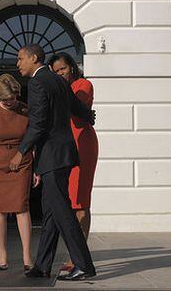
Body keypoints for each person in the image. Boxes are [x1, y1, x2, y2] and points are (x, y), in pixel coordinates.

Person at [9, 44, 96, 281]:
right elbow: (78, 108)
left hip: (53, 155)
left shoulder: (38, 82)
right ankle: (43, 265)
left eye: (20, 58)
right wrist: (90, 117)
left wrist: (21, 151)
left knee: (63, 212)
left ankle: (83, 265)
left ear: (34, 58)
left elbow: (38, 123)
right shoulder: (58, 80)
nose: (18, 63)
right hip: (63, 154)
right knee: (50, 213)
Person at [0, 73, 40, 272]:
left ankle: (26, 254)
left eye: (12, 98)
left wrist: (35, 168)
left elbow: (33, 141)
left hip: (21, 162)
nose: (10, 102)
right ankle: (3, 254)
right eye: (5, 100)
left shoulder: (25, 110)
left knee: (22, 207)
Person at [48, 52, 99, 270]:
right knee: (64, 200)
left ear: (72, 67)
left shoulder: (83, 84)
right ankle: (75, 252)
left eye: (63, 69)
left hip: (82, 145)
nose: (60, 74)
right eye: (56, 71)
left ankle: (76, 256)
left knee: (80, 201)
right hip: (63, 146)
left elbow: (73, 108)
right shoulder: (61, 88)